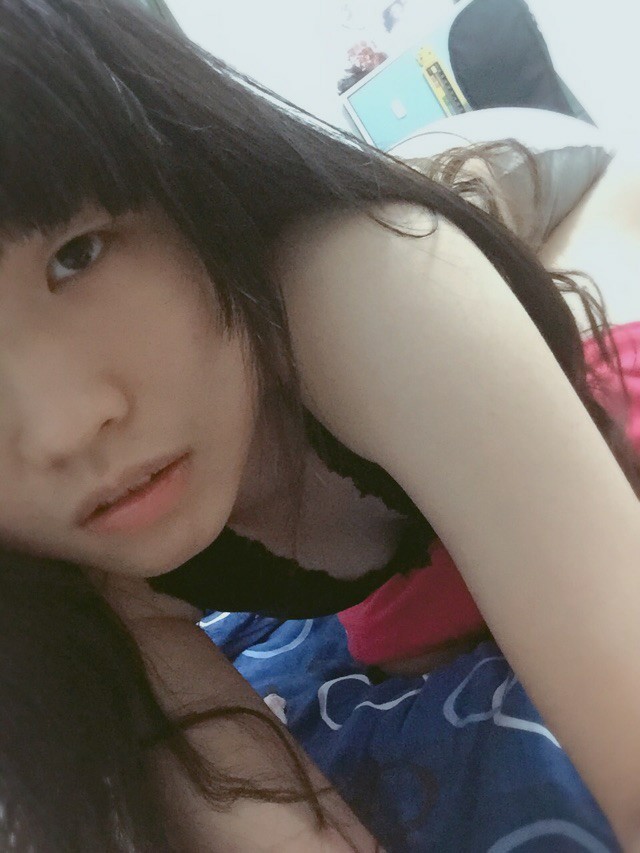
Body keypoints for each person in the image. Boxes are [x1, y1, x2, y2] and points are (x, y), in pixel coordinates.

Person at [0, 0, 639, 849]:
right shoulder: (48, 559)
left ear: (186, 183)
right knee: (409, 629)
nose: (65, 428)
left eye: (77, 254)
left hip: (499, 204)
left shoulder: (369, 287)